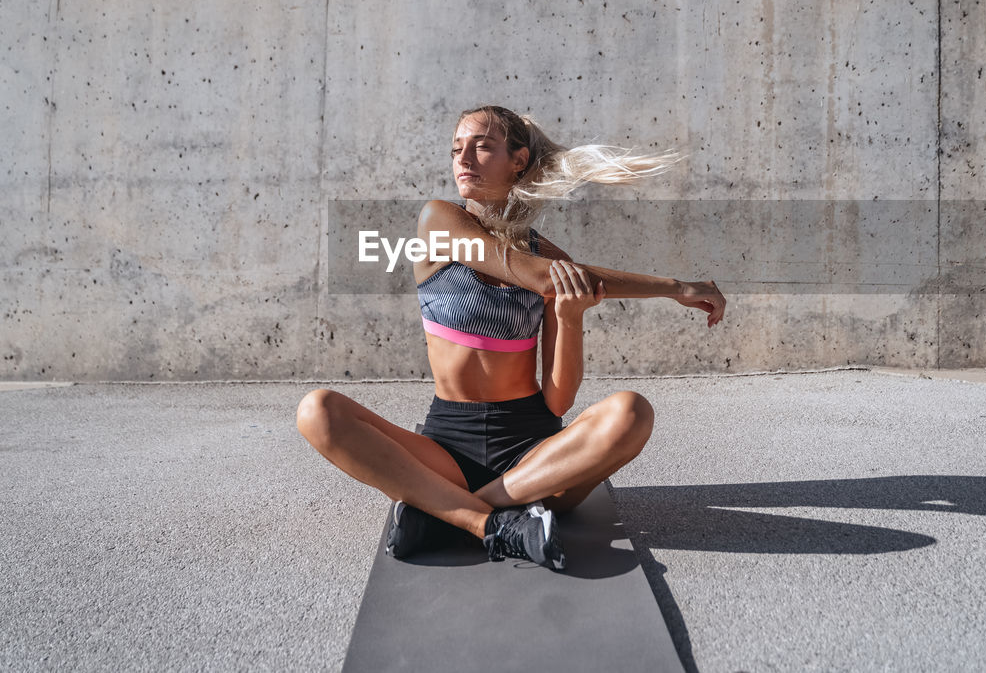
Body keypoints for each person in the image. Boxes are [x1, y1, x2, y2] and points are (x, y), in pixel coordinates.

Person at [296, 105, 725, 570]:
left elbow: (558, 402)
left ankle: (445, 513)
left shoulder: (548, 260)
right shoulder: (439, 221)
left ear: (517, 160)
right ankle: (492, 524)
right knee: (317, 411)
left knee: (631, 413)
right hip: (447, 448)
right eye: (457, 149)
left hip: (535, 455)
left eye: (482, 147)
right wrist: (679, 288)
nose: (464, 160)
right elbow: (533, 274)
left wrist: (571, 316)